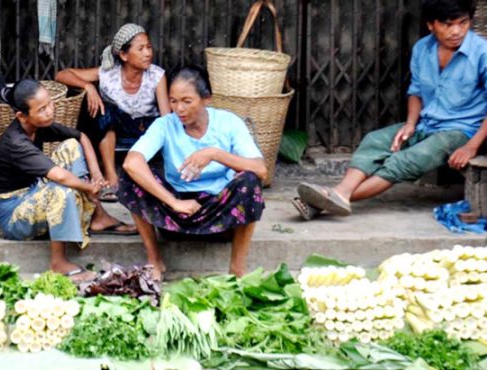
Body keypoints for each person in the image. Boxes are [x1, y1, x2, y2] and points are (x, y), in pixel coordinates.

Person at [293, 0, 487, 220]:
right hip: (427, 124)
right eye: (448, 24)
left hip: (461, 131)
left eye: (463, 23)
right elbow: (416, 91)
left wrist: (471, 146)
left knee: (408, 159)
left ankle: (331, 198)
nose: (457, 31)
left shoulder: (482, 53)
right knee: (375, 141)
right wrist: (410, 124)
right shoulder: (423, 48)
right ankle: (338, 195)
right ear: (431, 25)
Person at [119, 66, 267, 279]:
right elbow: (132, 163)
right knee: (130, 178)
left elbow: (261, 169)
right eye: (173, 101)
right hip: (175, 214)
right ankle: (154, 261)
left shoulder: (229, 123)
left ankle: (237, 269)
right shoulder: (165, 125)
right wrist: (174, 202)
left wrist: (215, 154)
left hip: (221, 215)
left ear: (206, 99)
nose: (179, 108)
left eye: (187, 101)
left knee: (250, 181)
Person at [0, 79, 138, 282]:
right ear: (22, 116)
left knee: (70, 146)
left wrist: (96, 174)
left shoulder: (37, 126)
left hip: (31, 191)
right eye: (41, 109)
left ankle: (98, 217)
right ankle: (58, 263)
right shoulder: (16, 142)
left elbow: (80, 137)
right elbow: (58, 176)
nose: (50, 111)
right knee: (60, 191)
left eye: (49, 104)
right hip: (11, 215)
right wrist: (89, 187)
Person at [55, 23, 170, 202]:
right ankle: (111, 175)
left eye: (149, 47)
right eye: (140, 49)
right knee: (105, 111)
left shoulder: (157, 75)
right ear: (124, 55)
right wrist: (88, 87)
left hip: (146, 127)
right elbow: (62, 75)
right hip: (115, 127)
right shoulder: (108, 74)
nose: (148, 53)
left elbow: (166, 118)